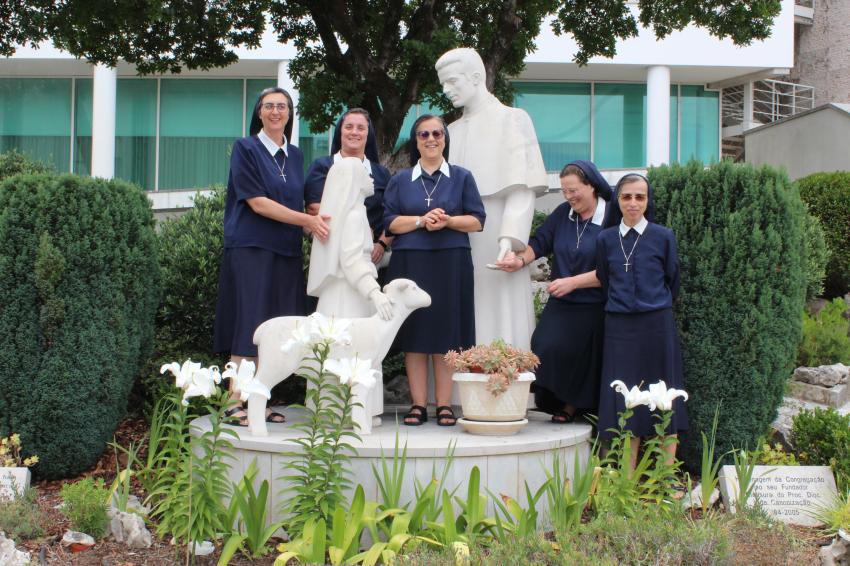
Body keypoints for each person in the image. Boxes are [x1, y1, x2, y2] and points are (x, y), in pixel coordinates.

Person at [213, 87, 330, 426]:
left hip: (285, 249)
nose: (276, 112)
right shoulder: (246, 148)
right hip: (251, 247)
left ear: (290, 114)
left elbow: (302, 203)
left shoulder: (294, 155)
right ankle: (234, 400)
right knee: (249, 321)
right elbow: (257, 202)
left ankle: (257, 399)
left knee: (275, 326)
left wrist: (319, 223)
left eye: (282, 106)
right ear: (259, 113)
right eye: (269, 106)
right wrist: (306, 220)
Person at [435, 47, 548, 351]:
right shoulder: (450, 132)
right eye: (442, 84)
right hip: (458, 233)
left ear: (475, 77)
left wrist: (509, 240)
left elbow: (521, 188)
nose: (446, 90)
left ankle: (504, 380)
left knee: (500, 305)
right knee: (463, 303)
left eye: (452, 81)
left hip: (498, 229)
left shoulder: (513, 119)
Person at [383, 114, 486, 426]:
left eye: (437, 134)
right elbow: (389, 222)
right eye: (424, 134)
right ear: (416, 141)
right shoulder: (400, 180)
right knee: (414, 332)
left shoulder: (462, 176)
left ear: (445, 139)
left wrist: (449, 221)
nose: (431, 139)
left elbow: (478, 221)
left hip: (450, 261)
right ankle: (418, 405)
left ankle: (443, 405)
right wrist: (420, 220)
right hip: (410, 262)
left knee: (446, 332)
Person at [496, 160, 612, 424]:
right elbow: (540, 241)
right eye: (564, 191)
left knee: (581, 351)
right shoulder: (563, 213)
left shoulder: (611, 217)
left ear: (591, 186)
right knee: (543, 345)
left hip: (596, 302)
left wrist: (573, 282)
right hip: (563, 299)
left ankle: (572, 406)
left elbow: (614, 268)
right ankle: (556, 401)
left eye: (574, 190)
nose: (569, 196)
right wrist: (519, 260)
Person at [595, 174, 688, 462]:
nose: (633, 203)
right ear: (618, 201)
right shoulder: (605, 239)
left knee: (665, 396)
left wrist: (651, 305)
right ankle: (626, 479)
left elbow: (672, 280)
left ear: (648, 201)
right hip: (620, 329)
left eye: (640, 197)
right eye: (627, 197)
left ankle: (666, 478)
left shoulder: (663, 236)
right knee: (624, 400)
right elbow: (604, 278)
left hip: (657, 326)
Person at [306, 157, 394, 428]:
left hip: (338, 296)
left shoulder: (353, 213)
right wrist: (374, 292)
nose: (371, 179)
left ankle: (330, 408)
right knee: (354, 353)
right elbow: (353, 261)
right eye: (364, 174)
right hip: (352, 296)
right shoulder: (355, 217)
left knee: (333, 352)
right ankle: (352, 410)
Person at [305, 108, 393, 265]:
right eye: (349, 127)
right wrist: (362, 229)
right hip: (330, 250)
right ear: (340, 131)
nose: (354, 132)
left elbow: (391, 214)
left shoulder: (381, 173)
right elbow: (314, 209)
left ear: (368, 134)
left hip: (372, 256)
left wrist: (381, 244)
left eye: (361, 128)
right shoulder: (323, 167)